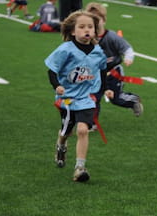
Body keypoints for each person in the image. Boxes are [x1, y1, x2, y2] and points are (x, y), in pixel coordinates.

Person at [45, 10, 113, 182]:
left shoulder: (98, 52)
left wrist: (105, 89)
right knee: (67, 130)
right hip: (67, 97)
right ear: (73, 31)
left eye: (90, 26)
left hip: (86, 98)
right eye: (81, 27)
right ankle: (61, 144)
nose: (86, 30)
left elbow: (103, 71)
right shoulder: (65, 50)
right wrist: (57, 85)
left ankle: (79, 167)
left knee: (83, 130)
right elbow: (52, 70)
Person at [85, 3, 144, 117]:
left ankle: (133, 101)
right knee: (93, 97)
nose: (95, 22)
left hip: (113, 71)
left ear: (104, 20)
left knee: (116, 98)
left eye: (98, 19)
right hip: (96, 73)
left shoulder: (111, 36)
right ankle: (91, 123)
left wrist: (128, 58)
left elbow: (127, 48)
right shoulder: (87, 38)